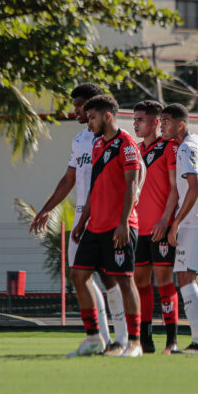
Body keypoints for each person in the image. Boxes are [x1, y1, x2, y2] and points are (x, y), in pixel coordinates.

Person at [30, 83, 120, 351]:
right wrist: (46, 208)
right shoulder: (80, 140)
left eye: (80, 105)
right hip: (83, 214)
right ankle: (98, 338)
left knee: (110, 278)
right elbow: (70, 177)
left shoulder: (116, 139)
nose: (76, 110)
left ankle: (125, 339)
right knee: (81, 276)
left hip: (106, 216)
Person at [69, 95, 143, 357]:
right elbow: (94, 187)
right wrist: (81, 221)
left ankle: (134, 343)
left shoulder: (127, 144)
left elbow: (132, 186)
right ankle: (94, 338)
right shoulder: (98, 144)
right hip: (94, 226)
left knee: (124, 281)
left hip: (118, 227)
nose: (88, 123)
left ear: (107, 116)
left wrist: (123, 223)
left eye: (92, 118)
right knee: (78, 275)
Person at [162, 103, 198, 355]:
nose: (161, 125)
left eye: (166, 121)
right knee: (191, 277)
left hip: (195, 219)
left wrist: (175, 222)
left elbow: (193, 189)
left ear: (180, 124)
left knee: (185, 277)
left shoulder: (185, 149)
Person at [131, 100, 180, 354]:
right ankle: (145, 338)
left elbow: (175, 188)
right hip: (138, 229)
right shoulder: (135, 150)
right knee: (140, 281)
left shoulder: (169, 148)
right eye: (135, 119)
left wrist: (165, 219)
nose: (135, 123)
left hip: (161, 227)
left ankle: (172, 340)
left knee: (164, 281)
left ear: (155, 122)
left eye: (140, 119)